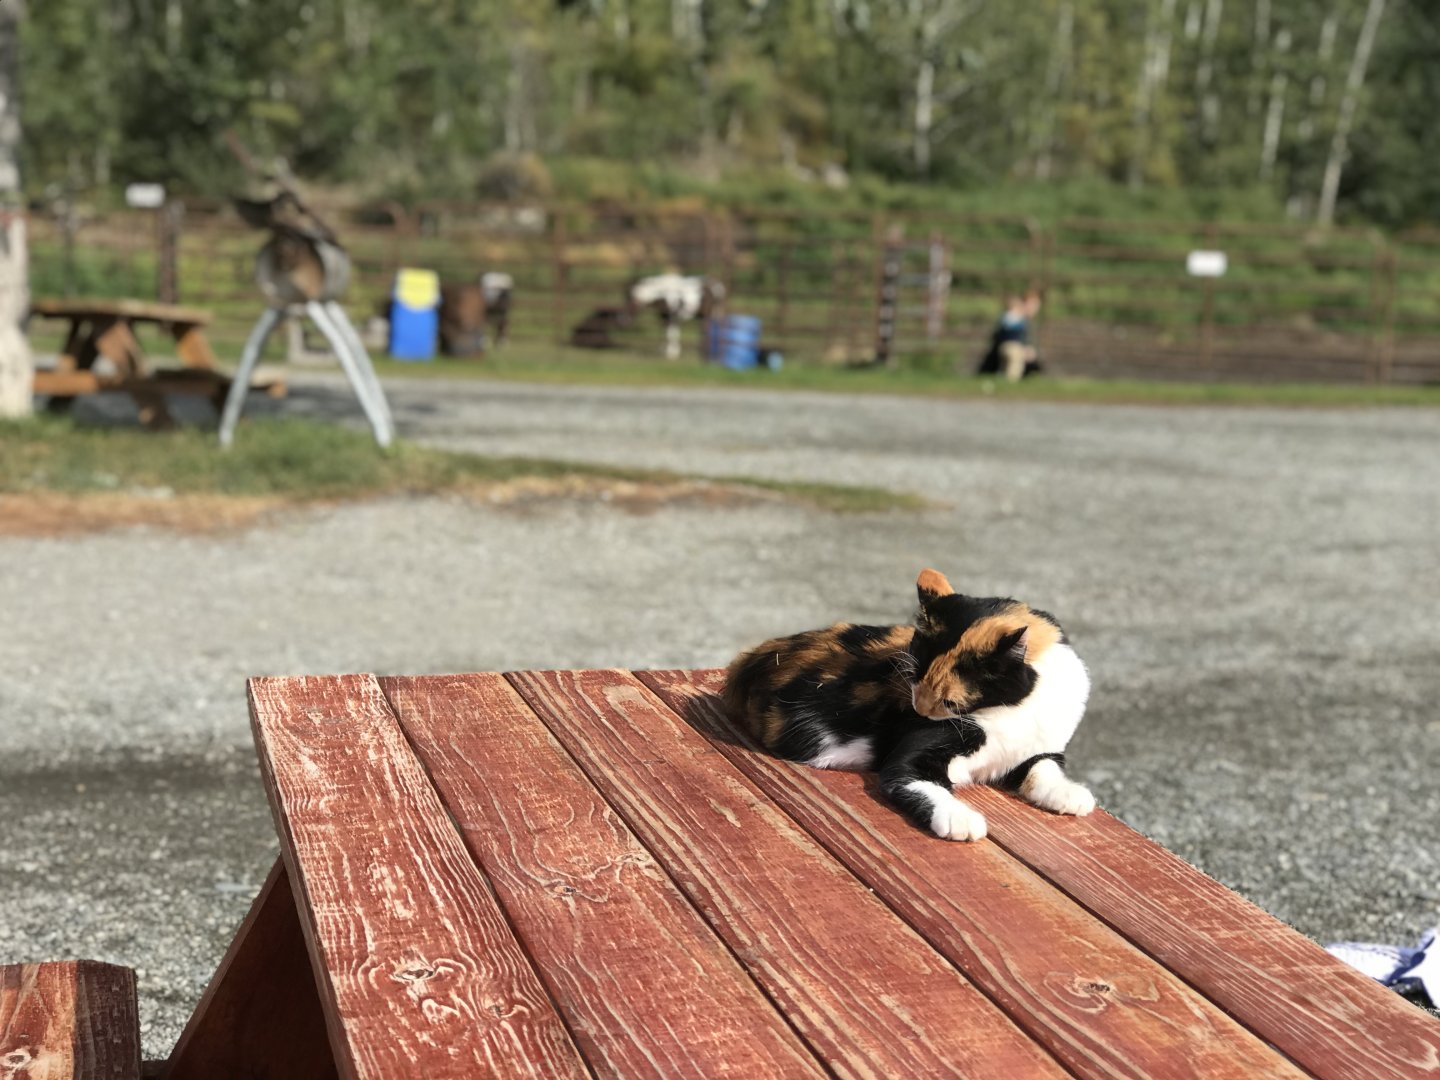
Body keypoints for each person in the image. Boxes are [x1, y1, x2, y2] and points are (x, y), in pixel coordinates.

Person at [977, 289, 1044, 381]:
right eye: (1033, 305)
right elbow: (1007, 333)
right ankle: (1011, 380)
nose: (1034, 309)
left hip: (1015, 347)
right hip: (1008, 346)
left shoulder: (1025, 321)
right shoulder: (1013, 316)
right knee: (1015, 353)